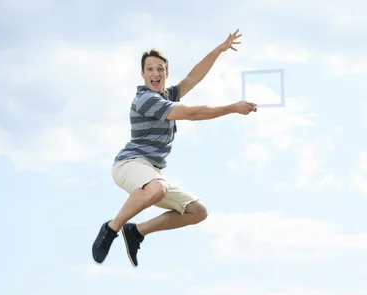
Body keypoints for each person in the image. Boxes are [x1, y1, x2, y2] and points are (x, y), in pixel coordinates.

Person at [92, 29, 257, 267]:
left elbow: (194, 77)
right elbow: (191, 113)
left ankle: (137, 231)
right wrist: (232, 108)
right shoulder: (146, 100)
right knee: (157, 189)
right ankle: (111, 229)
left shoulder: (168, 95)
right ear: (143, 74)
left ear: (166, 73)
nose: (155, 73)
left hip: (153, 172)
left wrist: (219, 50)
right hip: (129, 164)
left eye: (160, 68)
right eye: (150, 69)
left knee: (198, 211)